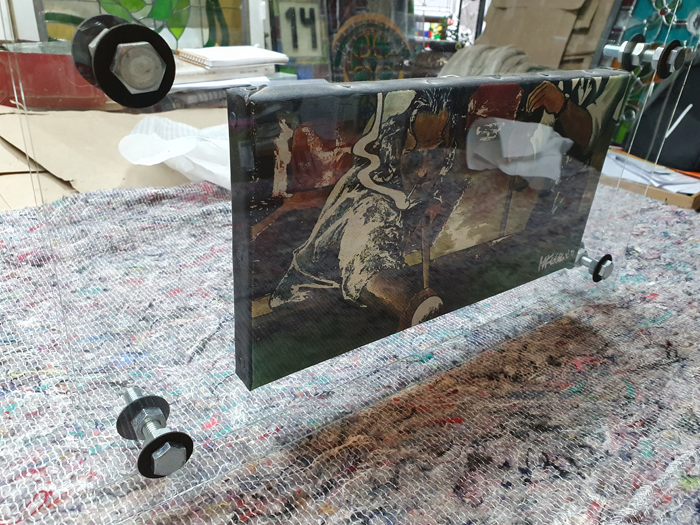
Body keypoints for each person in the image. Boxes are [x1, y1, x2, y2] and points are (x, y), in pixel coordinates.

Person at [269, 88, 457, 328]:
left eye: (437, 153)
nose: (423, 171)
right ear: (394, 146)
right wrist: (414, 306)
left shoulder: (409, 182)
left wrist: (432, 197)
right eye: (414, 156)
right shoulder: (375, 203)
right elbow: (370, 268)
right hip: (306, 312)